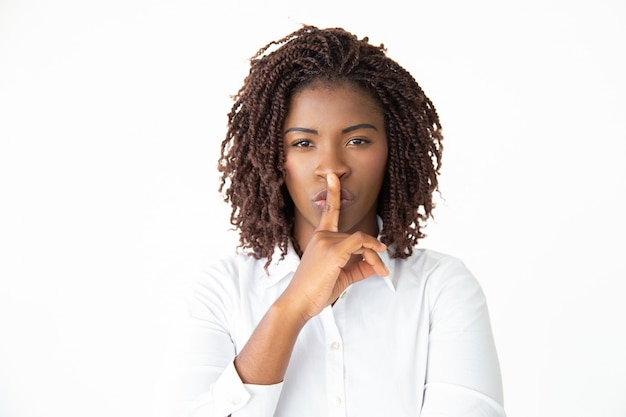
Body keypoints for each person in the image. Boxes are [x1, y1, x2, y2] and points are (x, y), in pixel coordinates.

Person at [156, 25, 505, 417]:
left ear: (394, 149)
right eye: (303, 143)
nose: (332, 168)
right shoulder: (221, 293)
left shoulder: (441, 288)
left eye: (357, 141)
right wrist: (292, 307)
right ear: (274, 157)